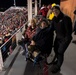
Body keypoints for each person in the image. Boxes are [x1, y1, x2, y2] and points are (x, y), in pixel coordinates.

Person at [50, 5, 72, 73]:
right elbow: (51, 28)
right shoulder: (54, 18)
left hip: (65, 38)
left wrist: (66, 40)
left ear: (59, 10)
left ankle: (58, 66)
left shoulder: (65, 18)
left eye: (56, 10)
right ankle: (58, 60)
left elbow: (69, 32)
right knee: (56, 49)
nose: (55, 12)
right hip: (58, 37)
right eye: (53, 11)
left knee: (60, 52)